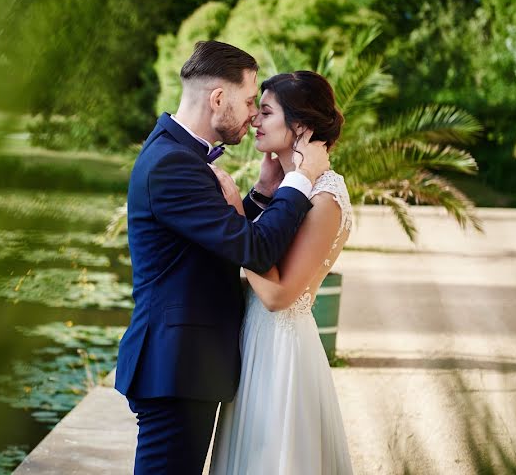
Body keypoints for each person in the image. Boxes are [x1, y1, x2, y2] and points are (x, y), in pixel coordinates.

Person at [114, 42, 331, 474]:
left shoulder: (178, 154)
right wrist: (300, 179)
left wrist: (262, 195)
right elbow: (253, 250)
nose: (253, 113)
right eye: (250, 101)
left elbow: (216, 238)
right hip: (176, 366)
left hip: (186, 363)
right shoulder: (172, 164)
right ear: (217, 98)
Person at [209, 70, 355, 474]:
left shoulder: (325, 199)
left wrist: (236, 216)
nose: (255, 119)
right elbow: (268, 252)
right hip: (256, 344)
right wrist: (261, 197)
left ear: (301, 127)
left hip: (281, 353)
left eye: (267, 112)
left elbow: (277, 295)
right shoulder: (292, 188)